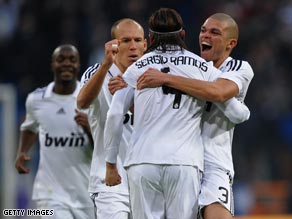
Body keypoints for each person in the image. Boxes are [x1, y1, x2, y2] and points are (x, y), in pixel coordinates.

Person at [104, 8, 249, 219]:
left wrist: (110, 164)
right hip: (184, 163)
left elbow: (115, 115)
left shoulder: (136, 68)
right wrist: (244, 110)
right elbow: (237, 113)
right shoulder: (202, 68)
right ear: (183, 35)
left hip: (142, 161)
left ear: (150, 38)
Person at [77, 18, 147, 219]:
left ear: (146, 44)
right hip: (109, 183)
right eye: (126, 40)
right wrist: (105, 64)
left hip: (147, 182)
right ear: (114, 45)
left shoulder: (153, 78)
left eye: (137, 40)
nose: (133, 46)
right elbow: (81, 103)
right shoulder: (98, 73)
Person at [15, 44, 95, 219]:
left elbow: (104, 148)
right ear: (52, 64)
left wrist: (89, 129)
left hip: (85, 195)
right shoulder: (36, 99)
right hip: (50, 193)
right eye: (61, 60)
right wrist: (22, 151)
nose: (67, 64)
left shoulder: (90, 99)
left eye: (72, 60)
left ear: (79, 65)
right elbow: (29, 127)